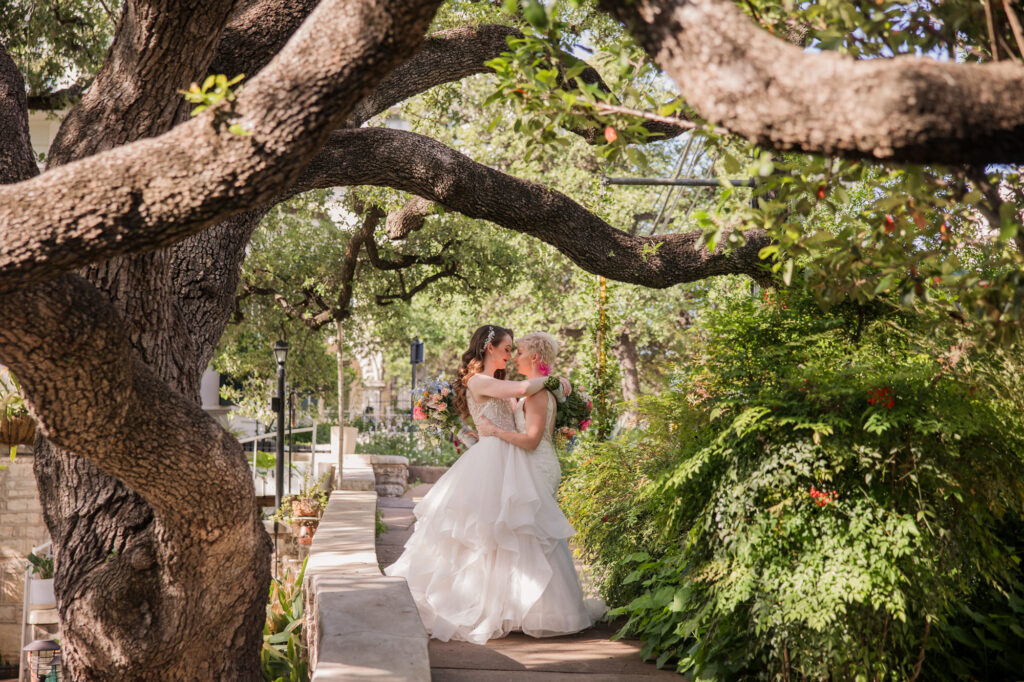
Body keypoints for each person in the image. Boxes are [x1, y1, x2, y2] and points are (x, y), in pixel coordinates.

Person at [384, 325, 594, 644]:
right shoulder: (481, 380)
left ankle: (512, 605)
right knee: (483, 534)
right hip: (494, 459)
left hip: (509, 458)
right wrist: (554, 379)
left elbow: (517, 409)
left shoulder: (499, 383)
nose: (510, 355)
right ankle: (480, 603)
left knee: (507, 531)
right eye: (507, 348)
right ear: (489, 348)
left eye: (514, 350)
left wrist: (554, 387)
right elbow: (522, 392)